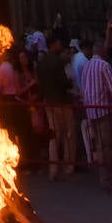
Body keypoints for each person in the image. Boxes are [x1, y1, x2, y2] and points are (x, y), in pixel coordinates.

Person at [81, 43, 112, 187]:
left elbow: (84, 88)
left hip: (91, 111)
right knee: (107, 145)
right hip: (104, 110)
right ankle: (107, 179)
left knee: (98, 145)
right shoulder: (105, 66)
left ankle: (102, 176)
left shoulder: (86, 66)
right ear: (102, 52)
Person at [36, 35, 76, 179]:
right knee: (68, 135)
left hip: (49, 102)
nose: (60, 46)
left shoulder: (41, 63)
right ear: (53, 44)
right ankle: (68, 167)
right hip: (62, 102)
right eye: (58, 43)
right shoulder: (57, 61)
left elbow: (40, 83)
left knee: (54, 135)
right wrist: (70, 82)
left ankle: (53, 169)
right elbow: (63, 82)